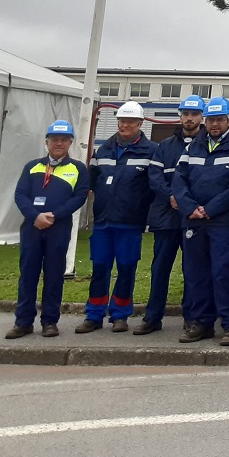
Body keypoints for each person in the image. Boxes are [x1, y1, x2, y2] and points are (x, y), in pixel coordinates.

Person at [173, 97, 229, 345]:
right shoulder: (193, 147)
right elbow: (179, 180)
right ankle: (202, 323)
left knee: (224, 273)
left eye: (220, 119)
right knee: (196, 273)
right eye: (211, 119)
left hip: (225, 221)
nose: (215, 124)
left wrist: (211, 209)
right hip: (195, 221)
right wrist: (190, 208)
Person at [77, 100, 155, 333]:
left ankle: (120, 315)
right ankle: (94, 314)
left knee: (126, 267)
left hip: (130, 222)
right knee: (99, 266)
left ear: (140, 123)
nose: (125, 125)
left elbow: (154, 187)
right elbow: (90, 181)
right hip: (103, 221)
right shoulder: (103, 150)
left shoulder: (151, 151)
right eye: (122, 121)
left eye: (130, 121)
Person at [7, 120, 89, 339]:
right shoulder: (32, 166)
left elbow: (80, 197)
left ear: (70, 142)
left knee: (54, 276)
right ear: (47, 142)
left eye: (63, 139)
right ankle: (23, 322)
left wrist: (54, 215)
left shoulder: (78, 168)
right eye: (54, 139)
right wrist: (36, 216)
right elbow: (20, 195)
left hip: (58, 228)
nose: (59, 143)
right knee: (28, 275)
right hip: (32, 228)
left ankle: (50, 322)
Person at [137, 94, 205, 335]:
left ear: (201, 117)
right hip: (166, 216)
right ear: (180, 116)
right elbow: (154, 178)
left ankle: (192, 317)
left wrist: (186, 202)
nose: (189, 118)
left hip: (193, 218)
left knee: (192, 270)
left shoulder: (206, 144)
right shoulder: (165, 146)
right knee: (160, 269)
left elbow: (205, 181)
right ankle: (153, 317)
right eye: (185, 114)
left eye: (194, 114)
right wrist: (172, 196)